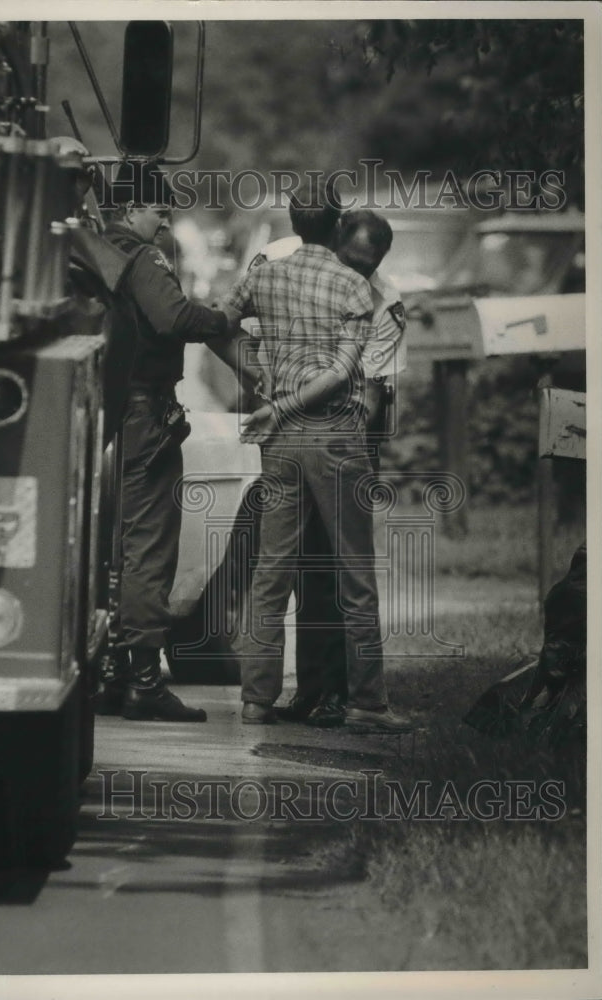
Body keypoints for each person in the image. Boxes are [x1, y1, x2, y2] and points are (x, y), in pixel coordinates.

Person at [221, 183, 410, 731]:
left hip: (278, 443)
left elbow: (215, 322)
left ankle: (256, 701)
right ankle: (367, 704)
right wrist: (285, 403)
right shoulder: (356, 290)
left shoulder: (264, 273)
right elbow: (346, 376)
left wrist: (258, 382)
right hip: (332, 437)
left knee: (270, 572)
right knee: (356, 574)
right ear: (334, 228)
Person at [95, 160, 232, 723]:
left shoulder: (95, 250)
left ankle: (114, 671)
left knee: (117, 549)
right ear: (131, 208)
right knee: (149, 547)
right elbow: (173, 318)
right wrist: (224, 318)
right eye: (159, 209)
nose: (165, 221)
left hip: (112, 415)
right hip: (146, 416)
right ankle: (145, 682)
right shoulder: (140, 254)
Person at [269, 211, 408, 726]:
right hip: (295, 434)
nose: (358, 275)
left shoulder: (385, 304)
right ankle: (311, 688)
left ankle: (347, 694)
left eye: (368, 268)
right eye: (351, 262)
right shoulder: (292, 267)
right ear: (331, 243)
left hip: (345, 440)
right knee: (307, 568)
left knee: (344, 570)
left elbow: (372, 394)